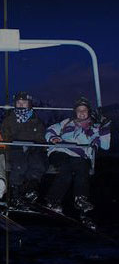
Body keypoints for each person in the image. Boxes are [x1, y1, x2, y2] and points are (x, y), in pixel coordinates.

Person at [44, 97, 110, 226]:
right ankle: (53, 200)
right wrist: (53, 138)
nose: (81, 113)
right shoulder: (68, 122)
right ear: (75, 112)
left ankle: (80, 198)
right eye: (79, 110)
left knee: (82, 169)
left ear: (89, 112)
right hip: (61, 151)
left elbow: (105, 145)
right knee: (66, 171)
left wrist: (105, 127)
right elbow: (50, 130)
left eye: (84, 110)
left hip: (80, 155)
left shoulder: (94, 128)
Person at [1, 92, 47, 206]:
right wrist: (14, 145)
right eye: (18, 103)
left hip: (33, 147)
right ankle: (15, 194)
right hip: (15, 148)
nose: (21, 105)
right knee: (19, 165)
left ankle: (30, 189)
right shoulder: (9, 120)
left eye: (24, 103)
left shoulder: (36, 120)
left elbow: (41, 138)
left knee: (37, 163)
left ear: (29, 104)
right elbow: (5, 136)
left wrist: (33, 146)